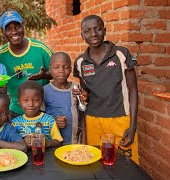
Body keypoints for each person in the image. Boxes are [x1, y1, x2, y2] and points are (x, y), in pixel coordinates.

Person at [73, 15, 139, 163]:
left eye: (98, 29)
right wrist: (83, 96)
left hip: (121, 119)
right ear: (82, 35)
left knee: (126, 165)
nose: (93, 34)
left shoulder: (121, 54)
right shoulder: (80, 63)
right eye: (88, 31)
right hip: (93, 121)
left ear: (105, 30)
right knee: (96, 164)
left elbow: (133, 91)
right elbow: (87, 95)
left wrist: (133, 124)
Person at [44, 52, 86, 145]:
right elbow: (38, 119)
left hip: (74, 143)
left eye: (66, 67)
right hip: (52, 144)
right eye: (56, 67)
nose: (61, 70)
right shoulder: (45, 91)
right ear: (50, 69)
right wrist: (53, 122)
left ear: (70, 69)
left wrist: (83, 143)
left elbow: (82, 118)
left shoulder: (76, 89)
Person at [12, 80, 63, 148]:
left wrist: (47, 142)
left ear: (42, 101)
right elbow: (11, 144)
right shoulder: (15, 123)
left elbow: (58, 142)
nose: (31, 104)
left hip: (45, 157)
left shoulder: (49, 120)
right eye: (26, 100)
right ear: (19, 102)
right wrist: (23, 141)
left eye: (36, 100)